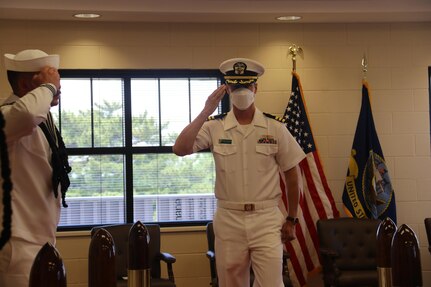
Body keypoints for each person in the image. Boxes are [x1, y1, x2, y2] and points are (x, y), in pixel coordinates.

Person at [173, 58, 306, 286]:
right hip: (229, 219)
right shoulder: (215, 126)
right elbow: (180, 148)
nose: (241, 92)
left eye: (246, 86)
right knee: (231, 283)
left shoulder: (275, 127)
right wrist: (206, 111)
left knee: (272, 284)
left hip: (266, 218)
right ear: (227, 89)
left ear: (256, 88)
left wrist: (292, 218)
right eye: (235, 87)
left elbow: (293, 175)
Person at [0, 49, 71, 287]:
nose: (56, 87)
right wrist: (47, 89)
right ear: (23, 84)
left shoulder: (43, 121)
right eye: (48, 81)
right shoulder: (8, 117)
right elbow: (28, 112)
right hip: (17, 245)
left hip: (42, 240)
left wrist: (46, 89)